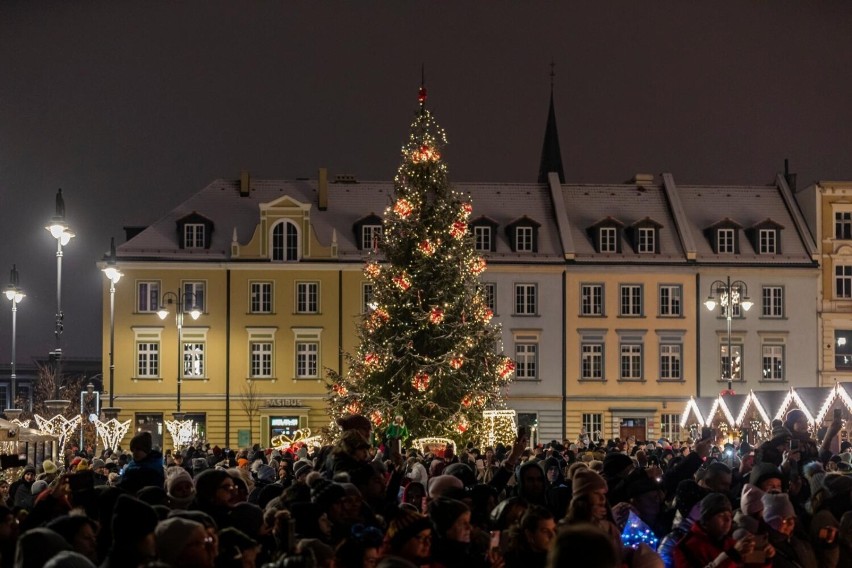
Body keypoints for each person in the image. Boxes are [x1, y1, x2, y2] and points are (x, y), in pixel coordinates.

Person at [673, 493, 774, 568]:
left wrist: (764, 558)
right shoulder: (685, 547)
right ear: (707, 519)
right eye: (721, 515)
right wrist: (732, 556)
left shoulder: (731, 543)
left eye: (730, 516)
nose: (728, 520)